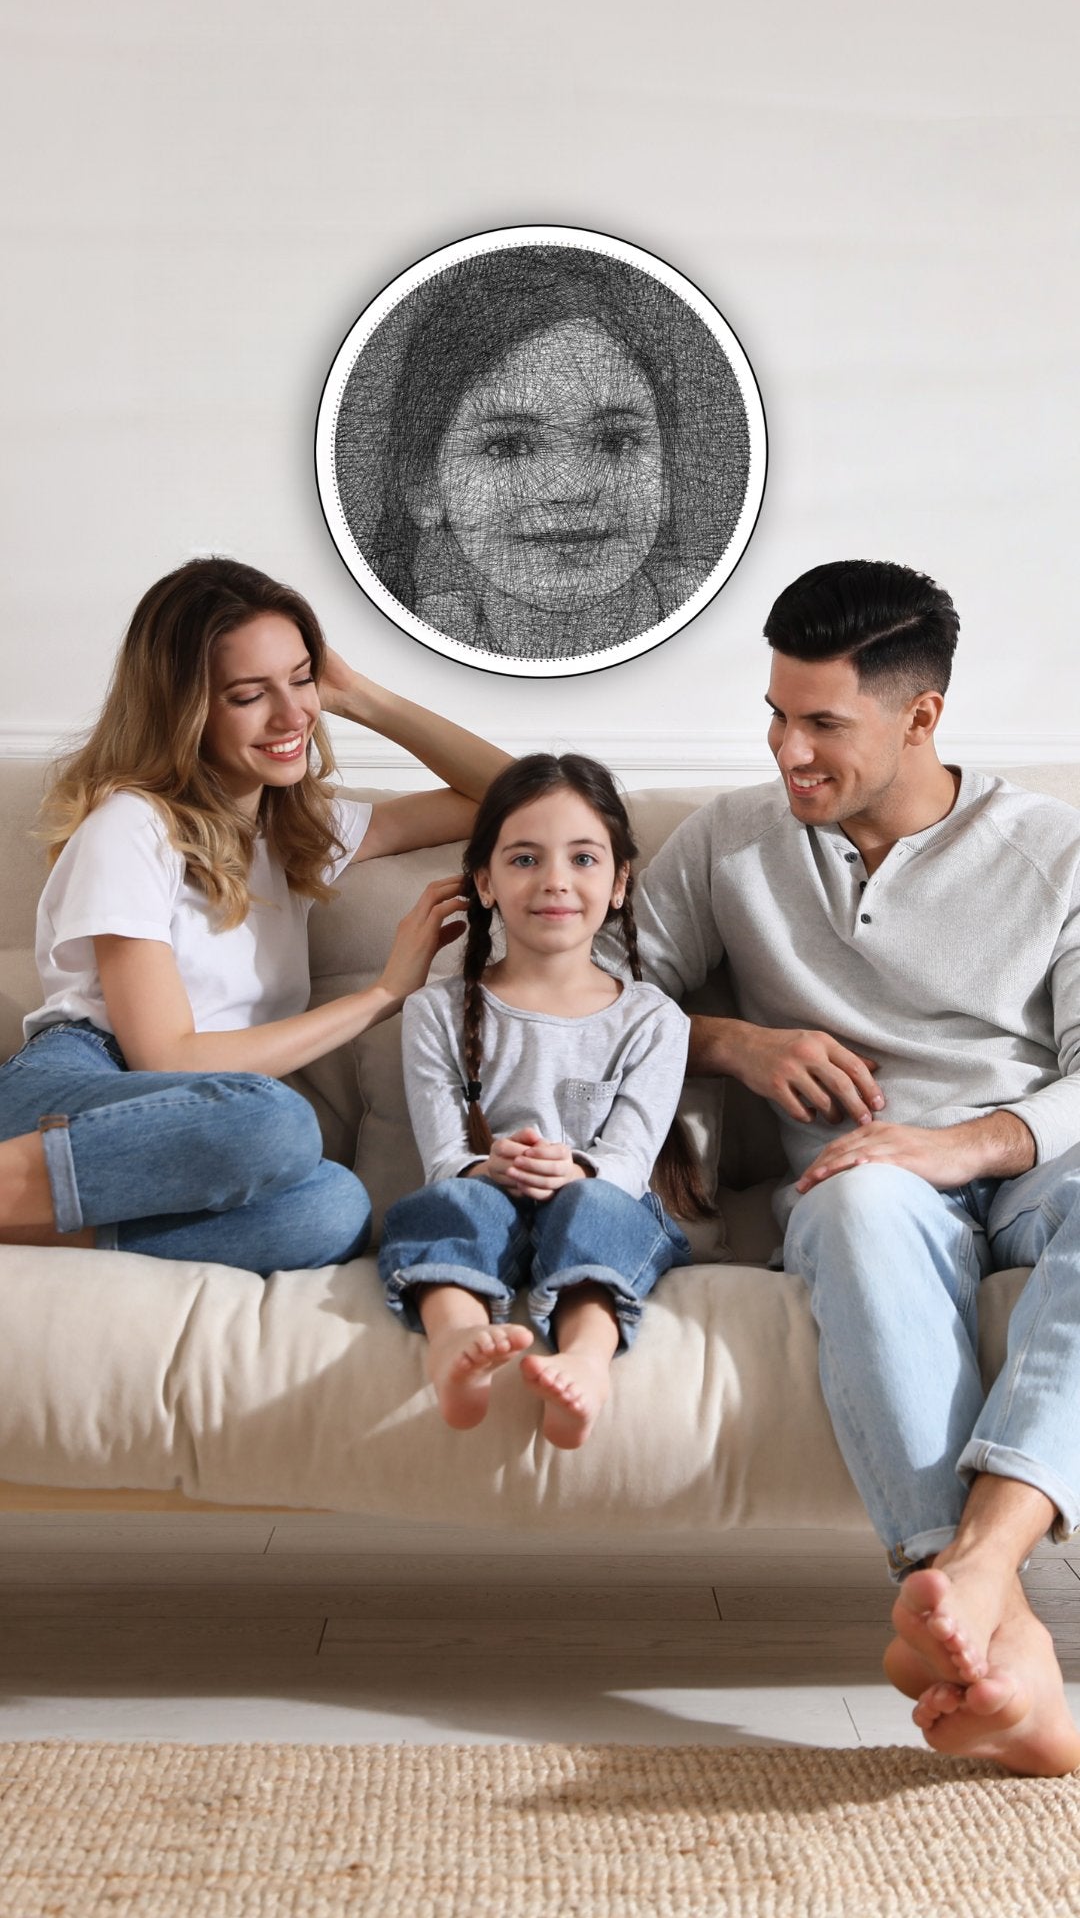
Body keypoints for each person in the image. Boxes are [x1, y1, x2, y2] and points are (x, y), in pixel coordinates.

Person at [624, 557, 1080, 1776]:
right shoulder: (731, 842)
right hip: (860, 1182)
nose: (788, 752)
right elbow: (600, 998)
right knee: (857, 1197)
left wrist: (972, 1142)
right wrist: (733, 1042)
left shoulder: (1053, 847)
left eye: (824, 723)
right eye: (776, 715)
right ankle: (999, 1629)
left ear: (921, 716)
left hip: (1029, 1160)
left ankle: (973, 1581)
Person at [0, 555, 510, 1274]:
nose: (293, 714)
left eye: (301, 679)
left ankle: (39, 1229)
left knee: (335, 1208)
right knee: (274, 1122)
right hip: (79, 1091)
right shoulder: (132, 827)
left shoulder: (299, 833)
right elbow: (164, 1059)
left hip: (198, 1118)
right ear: (185, 710)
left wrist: (362, 696)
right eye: (249, 695)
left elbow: (520, 798)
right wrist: (382, 996)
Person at [377, 752, 704, 1447]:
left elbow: (629, 1162)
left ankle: (584, 1361)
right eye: (524, 859)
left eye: (583, 860)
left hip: (598, 1199)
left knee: (597, 1206)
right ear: (484, 883)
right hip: (485, 1199)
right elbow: (443, 1160)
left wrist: (572, 1170)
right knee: (446, 1204)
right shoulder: (433, 1012)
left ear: (619, 884)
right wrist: (487, 1167)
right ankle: (457, 1342)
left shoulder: (653, 1020)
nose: (555, 880)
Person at [361, 249, 724, 662]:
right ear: (423, 487)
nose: (572, 490)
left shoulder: (725, 628)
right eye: (508, 447)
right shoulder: (399, 648)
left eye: (616, 440)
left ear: (670, 469)